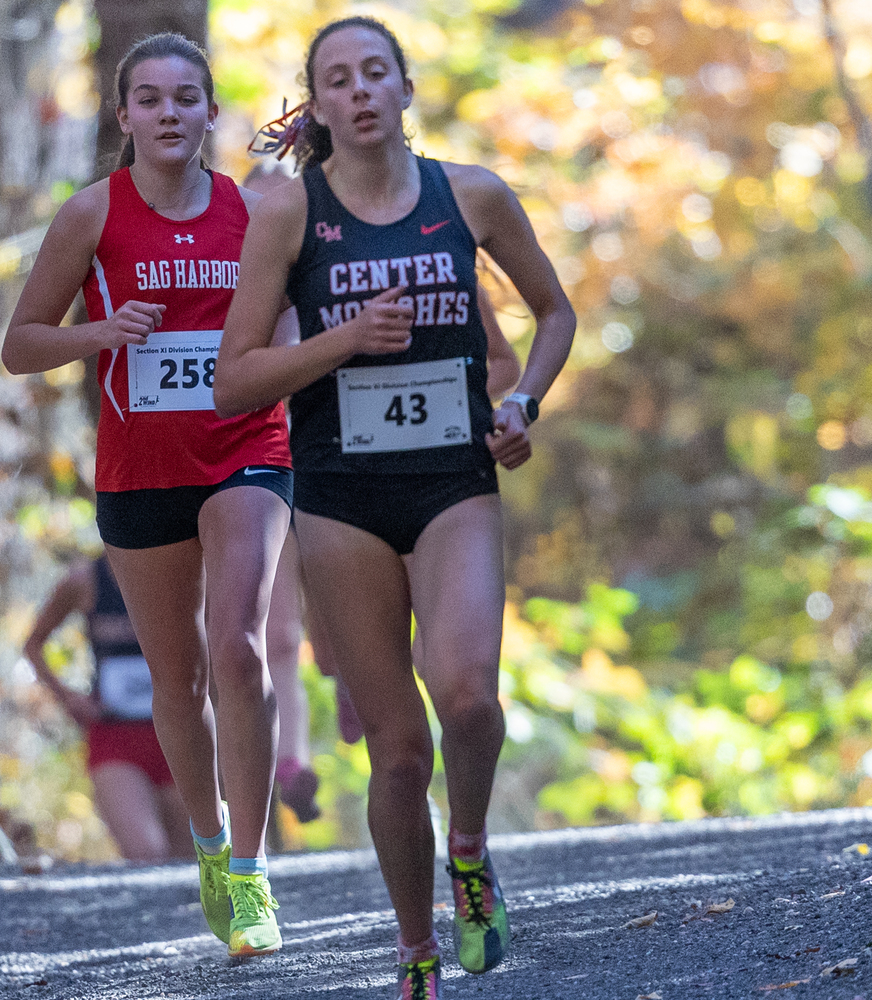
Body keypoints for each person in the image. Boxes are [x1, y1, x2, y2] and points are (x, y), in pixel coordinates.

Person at [217, 16, 575, 998]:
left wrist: (522, 401)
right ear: (319, 107)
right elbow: (234, 379)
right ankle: (416, 949)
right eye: (340, 79)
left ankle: (470, 850)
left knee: (467, 695)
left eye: (378, 72)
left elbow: (555, 312)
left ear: (406, 90)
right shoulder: (292, 214)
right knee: (396, 751)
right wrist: (343, 341)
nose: (362, 90)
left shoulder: (473, 195)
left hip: (455, 479)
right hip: (341, 497)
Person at [1, 32, 291, 959]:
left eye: (187, 98)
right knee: (182, 678)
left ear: (212, 113)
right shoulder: (92, 215)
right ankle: (207, 845)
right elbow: (21, 344)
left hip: (247, 448)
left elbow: (290, 315)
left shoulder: (253, 213)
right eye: (151, 99)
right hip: (141, 468)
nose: (170, 113)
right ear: (124, 116)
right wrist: (103, 333)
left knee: (238, 644)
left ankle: (249, 873)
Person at [22, 556, 194, 862]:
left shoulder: (184, 566)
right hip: (115, 737)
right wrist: (68, 697)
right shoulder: (85, 580)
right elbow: (34, 644)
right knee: (146, 852)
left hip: (182, 735)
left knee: (192, 860)